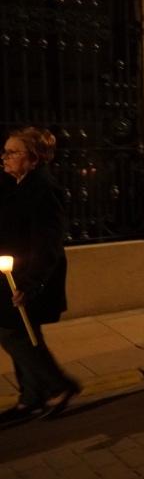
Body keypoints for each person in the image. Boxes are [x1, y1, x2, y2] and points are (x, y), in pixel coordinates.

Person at [0, 127, 79, 424]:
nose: (5, 157)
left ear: (33, 159)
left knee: (15, 334)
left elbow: (48, 242)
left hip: (30, 277)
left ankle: (60, 386)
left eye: (13, 152)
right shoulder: (15, 184)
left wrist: (31, 284)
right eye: (5, 151)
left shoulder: (44, 190)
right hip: (12, 275)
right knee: (20, 332)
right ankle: (30, 398)